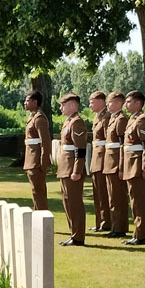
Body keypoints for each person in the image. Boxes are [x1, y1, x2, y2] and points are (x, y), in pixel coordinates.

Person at [120, 91, 145, 245]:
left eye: (129, 102)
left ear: (137, 103)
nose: (126, 104)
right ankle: (138, 233)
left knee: (141, 202)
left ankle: (143, 235)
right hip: (131, 165)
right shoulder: (131, 120)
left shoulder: (142, 120)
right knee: (135, 202)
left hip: (138, 166)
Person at [55, 93, 88, 246]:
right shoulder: (68, 122)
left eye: (64, 105)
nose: (61, 108)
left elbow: (80, 149)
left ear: (73, 106)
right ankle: (73, 234)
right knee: (67, 202)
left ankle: (78, 236)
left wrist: (77, 170)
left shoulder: (77, 123)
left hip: (72, 168)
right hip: (65, 166)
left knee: (74, 203)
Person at [103, 91, 129, 238]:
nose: (108, 104)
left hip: (115, 162)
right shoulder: (113, 119)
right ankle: (115, 226)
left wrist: (121, 166)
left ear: (119, 103)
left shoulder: (121, 120)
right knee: (112, 197)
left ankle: (119, 228)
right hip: (109, 161)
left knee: (118, 197)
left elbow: (121, 145)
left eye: (111, 102)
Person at [22, 90, 51, 211]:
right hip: (31, 158)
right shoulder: (32, 116)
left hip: (36, 159)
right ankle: (38, 215)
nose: (25, 103)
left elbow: (45, 142)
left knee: (38, 191)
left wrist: (43, 162)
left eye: (28, 101)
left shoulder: (39, 118)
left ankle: (42, 218)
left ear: (35, 102)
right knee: (35, 191)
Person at [88, 91, 110, 232]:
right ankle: (100, 221)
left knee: (104, 192)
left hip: (103, 157)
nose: (90, 105)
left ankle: (106, 222)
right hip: (96, 156)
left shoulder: (106, 117)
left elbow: (109, 140)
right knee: (97, 192)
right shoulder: (98, 117)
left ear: (101, 101)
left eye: (92, 101)